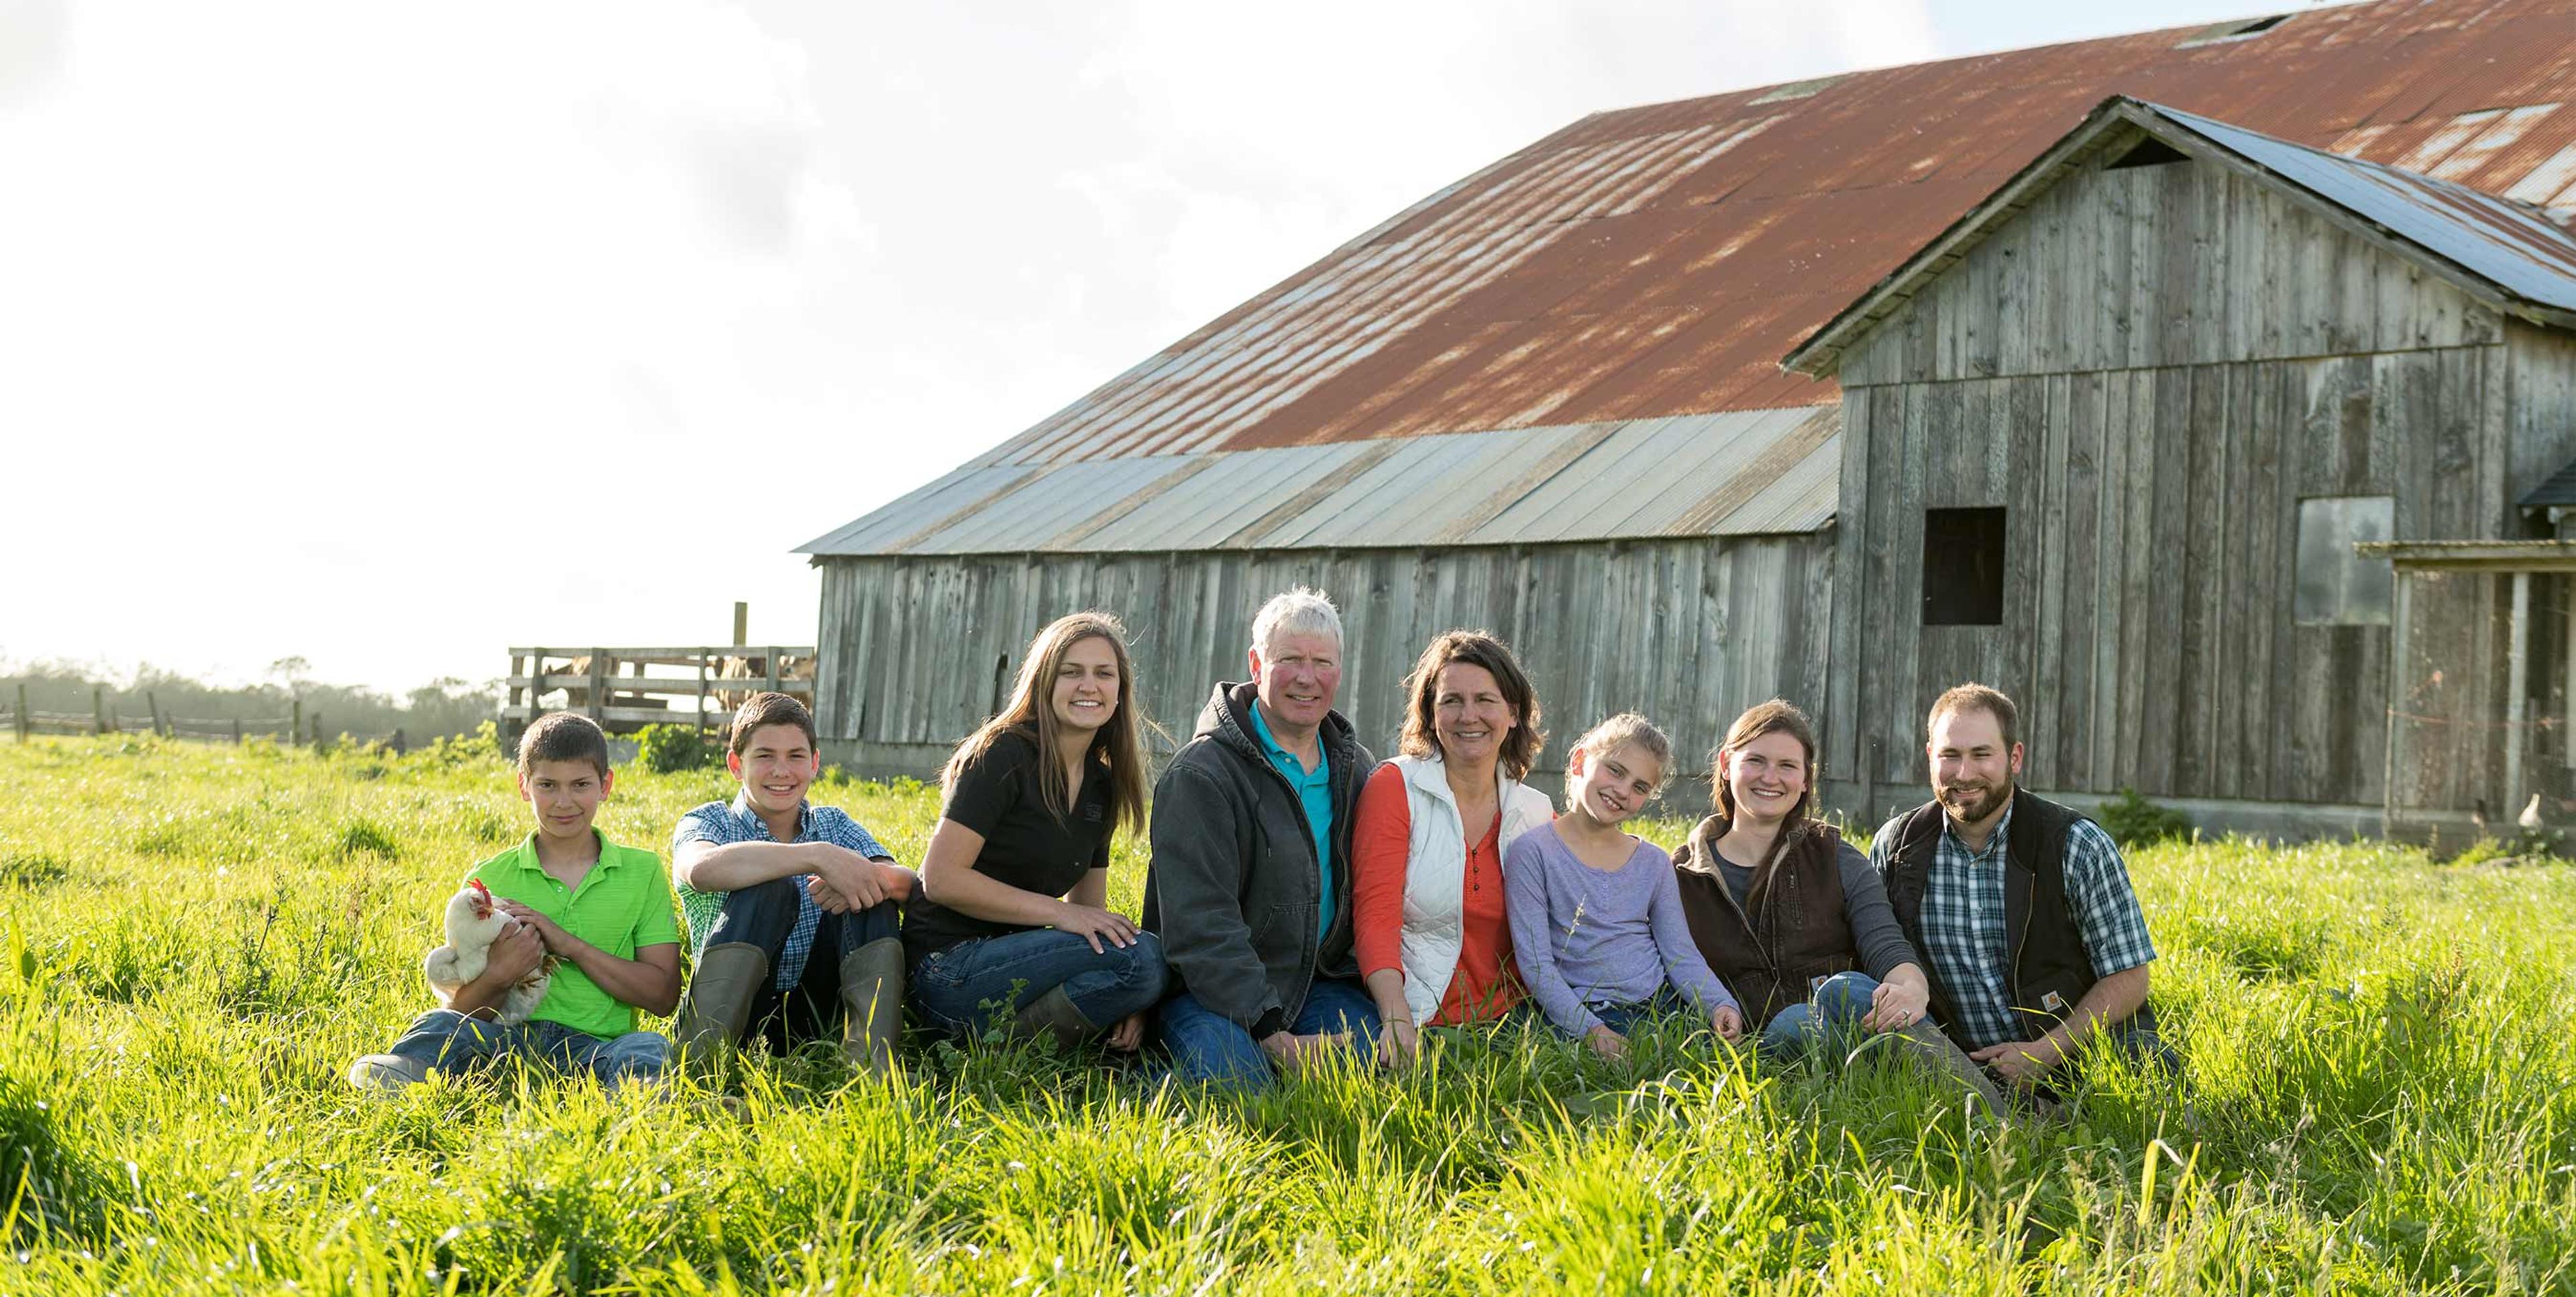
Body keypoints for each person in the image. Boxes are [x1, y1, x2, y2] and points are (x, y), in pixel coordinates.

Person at [1670, 700, 2003, 1114]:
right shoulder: (1681, 875)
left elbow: (1884, 941)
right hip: (1756, 1051)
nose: (1770, 778)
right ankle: (1992, 1114)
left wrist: (1912, 989)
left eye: (1788, 766)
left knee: (1846, 990)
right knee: (1792, 1024)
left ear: (1806, 780)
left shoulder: (1834, 856)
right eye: (1755, 760)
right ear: (1726, 764)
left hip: (1850, 1031)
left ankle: (1985, 1113)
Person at [347, 714, 679, 1091]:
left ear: (606, 785)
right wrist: (500, 973)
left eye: (581, 785)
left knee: (647, 1046)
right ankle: (396, 1081)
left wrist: (566, 943)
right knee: (438, 1024)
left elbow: (663, 996)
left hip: (598, 1048)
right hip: (507, 1046)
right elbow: (465, 1011)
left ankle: (637, 1105)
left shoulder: (642, 870)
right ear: (525, 786)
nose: (564, 801)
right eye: (548, 785)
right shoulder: (490, 877)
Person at [1870, 683, 2169, 1096]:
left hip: (2085, 1045)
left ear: (2015, 757)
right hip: (1965, 1063)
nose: (1964, 773)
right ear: (1929, 757)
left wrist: (2045, 1052)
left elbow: (2131, 976)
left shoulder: (2075, 843)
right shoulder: (1896, 847)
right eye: (1950, 756)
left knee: (2151, 1100)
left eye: (1981, 755)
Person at [1144, 587, 1380, 1088]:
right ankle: (1151, 1075)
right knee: (1242, 1091)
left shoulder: (1354, 769)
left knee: (1378, 1074)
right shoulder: (1202, 775)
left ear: (1340, 671)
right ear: (1256, 663)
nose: (1306, 677)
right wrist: (1274, 1035)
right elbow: (1200, 924)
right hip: (1208, 989)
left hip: (1317, 983)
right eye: (1289, 659)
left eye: (1322, 662)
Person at [906, 612, 1167, 1051]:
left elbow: (1090, 915)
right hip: (948, 967)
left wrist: (1136, 992)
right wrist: (1058, 913)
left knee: (1145, 961)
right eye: (1072, 672)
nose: (1089, 686)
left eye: (1104, 674)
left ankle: (1003, 1043)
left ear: (1120, 692)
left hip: (1020, 965)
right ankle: (1003, 1047)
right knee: (1144, 958)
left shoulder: (1101, 784)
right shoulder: (1001, 754)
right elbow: (941, 878)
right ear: (1044, 681)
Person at [669, 693, 918, 1073]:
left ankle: (872, 1068)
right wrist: (818, 857)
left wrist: (864, 878)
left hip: (814, 1007)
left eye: (796, 756)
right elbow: (699, 869)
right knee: (771, 888)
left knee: (871, 893)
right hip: (733, 1008)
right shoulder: (710, 821)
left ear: (815, 763)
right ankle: (698, 1067)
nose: (781, 771)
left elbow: (909, 883)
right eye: (765, 756)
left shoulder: (833, 824)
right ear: (736, 764)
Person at [1352, 630, 1556, 1067]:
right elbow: (1375, 917)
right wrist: (1395, 1018)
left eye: (1486, 700)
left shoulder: (1536, 812)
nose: (1469, 716)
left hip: (1515, 1018)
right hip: (1421, 1014)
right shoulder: (1394, 787)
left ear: (1514, 714)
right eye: (1451, 701)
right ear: (1430, 714)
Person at [1503, 713, 1743, 1060]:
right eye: (1615, 771)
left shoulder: (1653, 862)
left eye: (1640, 787)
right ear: (1580, 761)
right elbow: (1537, 966)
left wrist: (1720, 1003)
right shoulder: (1533, 852)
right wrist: (1592, 1031)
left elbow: (1680, 954)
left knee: (1704, 1065)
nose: (1622, 791)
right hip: (1584, 1009)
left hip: (1658, 1002)